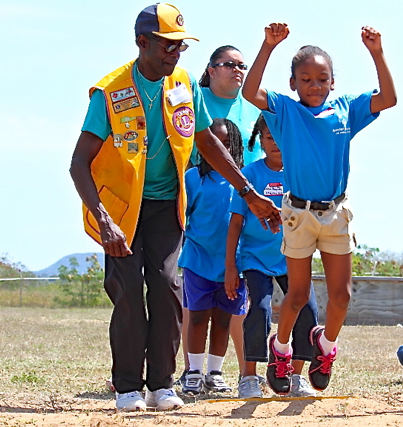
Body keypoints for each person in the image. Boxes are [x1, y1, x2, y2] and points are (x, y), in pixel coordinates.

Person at [69, 4, 280, 412]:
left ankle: (161, 385)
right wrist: (104, 219)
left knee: (167, 287)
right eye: (167, 46)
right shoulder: (109, 91)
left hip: (167, 205)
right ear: (142, 42)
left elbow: (207, 142)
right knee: (129, 291)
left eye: (180, 47)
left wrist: (248, 192)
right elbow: (79, 163)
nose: (175, 54)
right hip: (121, 213)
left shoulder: (182, 86)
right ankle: (128, 387)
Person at [242, 23, 397, 394]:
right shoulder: (284, 112)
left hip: (335, 213)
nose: (314, 85)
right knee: (296, 296)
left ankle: (325, 346)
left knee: (342, 296)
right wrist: (267, 46)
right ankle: (280, 349)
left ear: (332, 83)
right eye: (306, 78)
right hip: (298, 214)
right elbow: (251, 92)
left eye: (322, 78)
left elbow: (388, 98)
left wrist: (377, 53)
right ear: (293, 83)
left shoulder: (347, 110)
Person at [180, 45, 260, 386]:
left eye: (242, 65)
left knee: (233, 311)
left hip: (238, 229)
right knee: (191, 309)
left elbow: (257, 162)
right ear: (211, 70)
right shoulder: (189, 99)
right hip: (199, 227)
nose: (237, 70)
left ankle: (238, 375)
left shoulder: (254, 107)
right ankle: (188, 371)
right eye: (229, 64)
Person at [225, 115, 319, 398]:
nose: (275, 143)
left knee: (308, 310)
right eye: (268, 137)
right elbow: (235, 222)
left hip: (294, 256)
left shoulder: (299, 174)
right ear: (260, 140)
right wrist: (230, 266)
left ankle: (296, 376)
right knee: (261, 310)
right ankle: (249, 376)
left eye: (280, 137)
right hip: (256, 257)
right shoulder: (250, 175)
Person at [178, 118, 248, 395]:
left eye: (227, 143)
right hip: (198, 260)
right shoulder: (193, 178)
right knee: (197, 318)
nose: (221, 148)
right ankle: (193, 371)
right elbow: (183, 218)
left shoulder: (244, 181)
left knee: (223, 320)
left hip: (235, 265)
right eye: (215, 143)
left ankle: (214, 372)